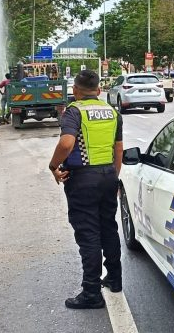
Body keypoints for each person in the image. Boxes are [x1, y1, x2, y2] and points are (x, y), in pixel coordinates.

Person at [48, 69, 124, 309]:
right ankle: (114, 278)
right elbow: (118, 149)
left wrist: (53, 166)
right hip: (108, 175)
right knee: (109, 228)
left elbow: (67, 142)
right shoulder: (113, 112)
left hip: (83, 180)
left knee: (88, 234)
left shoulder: (74, 111)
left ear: (75, 91)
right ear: (99, 91)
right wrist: (113, 177)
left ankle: (91, 292)